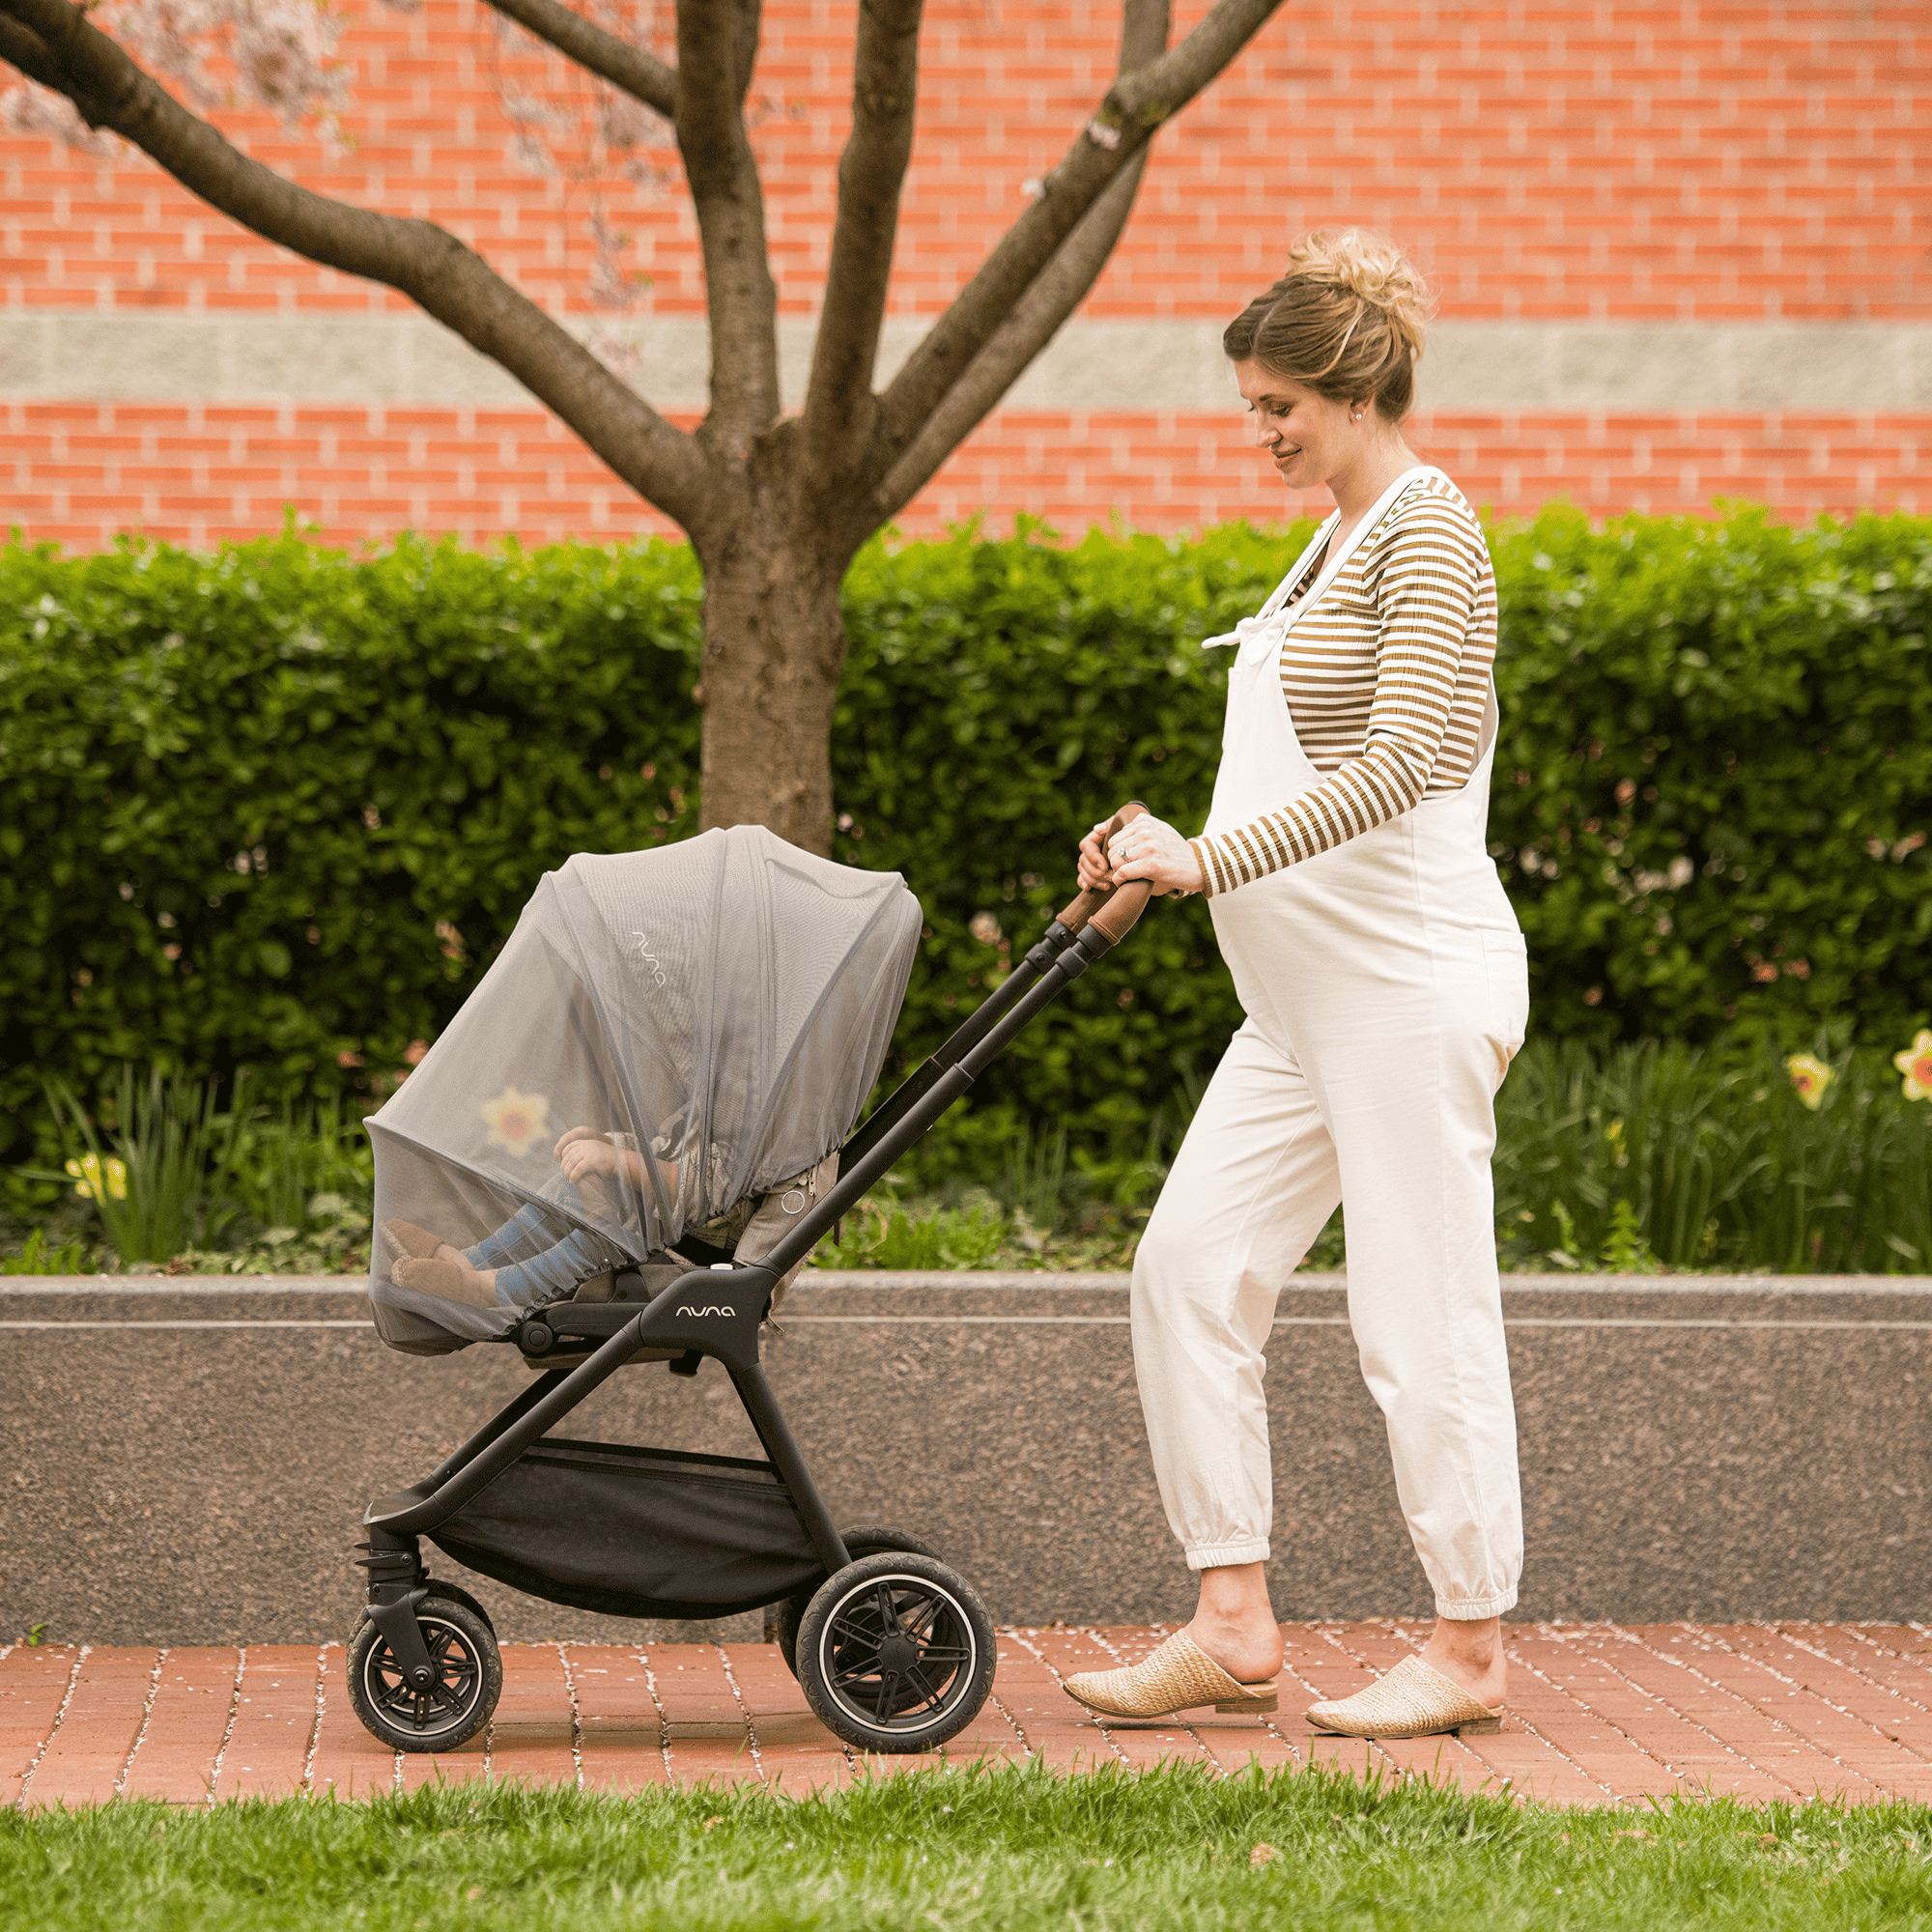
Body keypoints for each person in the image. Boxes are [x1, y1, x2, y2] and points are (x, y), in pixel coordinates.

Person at [1059, 230, 1530, 1742]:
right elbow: (1297, 756)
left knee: (1421, 1315)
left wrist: (1208, 857)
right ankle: (1232, 1621)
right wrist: (1160, 854)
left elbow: (1401, 764)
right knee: (1189, 1268)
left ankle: (1465, 1652)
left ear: (1352, 387)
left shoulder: (1429, 532)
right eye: (1250, 404)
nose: (1256, 430)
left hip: (1408, 991)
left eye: (1277, 405)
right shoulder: (1331, 535)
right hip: (1302, 1013)